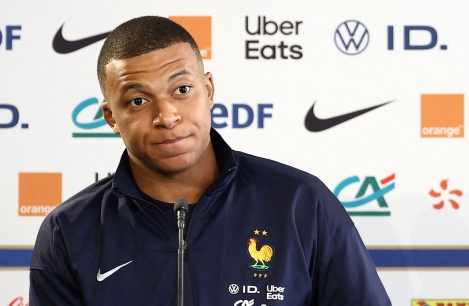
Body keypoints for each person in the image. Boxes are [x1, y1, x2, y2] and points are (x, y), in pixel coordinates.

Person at [30, 16, 391, 305]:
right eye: (138, 101)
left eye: (182, 90)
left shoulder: (300, 202)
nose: (167, 115)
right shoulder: (69, 231)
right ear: (111, 117)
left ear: (209, 90)